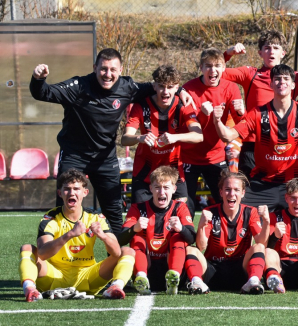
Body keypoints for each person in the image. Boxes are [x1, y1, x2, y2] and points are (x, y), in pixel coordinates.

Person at [30, 48, 193, 233]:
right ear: (95, 68)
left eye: (113, 70)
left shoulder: (127, 87)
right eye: (103, 69)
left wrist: (181, 90)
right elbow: (43, 93)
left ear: (120, 70)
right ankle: (60, 256)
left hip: (105, 158)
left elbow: (160, 85)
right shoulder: (78, 86)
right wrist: (38, 79)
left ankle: (118, 258)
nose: (108, 74)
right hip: (75, 156)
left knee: (114, 211)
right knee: (66, 206)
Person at [214, 63, 298, 211]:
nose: (282, 82)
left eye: (286, 79)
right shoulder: (258, 113)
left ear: (293, 85)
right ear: (271, 84)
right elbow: (228, 136)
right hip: (262, 184)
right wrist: (217, 120)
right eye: (277, 79)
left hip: (295, 184)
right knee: (238, 214)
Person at [222, 30, 298, 174]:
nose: (271, 52)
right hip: (254, 143)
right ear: (260, 53)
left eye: (276, 48)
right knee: (250, 188)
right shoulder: (250, 74)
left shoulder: (292, 78)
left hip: (284, 143)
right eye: (267, 48)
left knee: (284, 189)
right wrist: (228, 53)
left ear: (283, 53)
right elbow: (216, 73)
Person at [19, 169, 136, 302]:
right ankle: (30, 289)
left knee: (127, 251)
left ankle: (115, 288)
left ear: (85, 192)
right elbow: (43, 253)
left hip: (88, 278)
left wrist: (102, 236)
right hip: (53, 276)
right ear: (60, 193)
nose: (72, 193)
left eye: (76, 189)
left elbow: (115, 252)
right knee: (27, 248)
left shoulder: (96, 217)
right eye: (67, 189)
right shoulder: (50, 218)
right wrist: (69, 235)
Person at [122, 65, 203, 204]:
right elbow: (125, 139)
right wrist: (139, 138)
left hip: (174, 174)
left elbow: (198, 135)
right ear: (154, 86)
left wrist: (175, 137)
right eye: (161, 86)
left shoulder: (183, 105)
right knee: (142, 221)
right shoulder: (141, 106)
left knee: (181, 218)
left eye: (170, 87)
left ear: (177, 87)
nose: (165, 92)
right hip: (144, 175)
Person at [184, 172, 271, 295]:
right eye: (227, 189)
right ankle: (197, 282)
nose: (231, 194)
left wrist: (266, 222)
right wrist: (202, 225)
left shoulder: (250, 212)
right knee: (190, 249)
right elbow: (201, 247)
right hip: (213, 270)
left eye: (236, 190)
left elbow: (261, 243)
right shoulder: (210, 212)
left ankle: (253, 281)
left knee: (260, 247)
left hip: (240, 271)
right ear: (220, 192)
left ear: (243, 193)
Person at [181, 48, 245, 213]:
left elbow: (241, 126)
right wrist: (202, 114)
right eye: (208, 66)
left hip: (216, 155)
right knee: (185, 206)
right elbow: (190, 128)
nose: (213, 70)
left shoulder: (231, 88)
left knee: (225, 201)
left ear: (224, 67)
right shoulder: (188, 89)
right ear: (201, 68)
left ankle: (224, 237)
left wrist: (241, 112)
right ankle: (185, 238)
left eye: (217, 65)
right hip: (189, 156)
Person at [119, 166, 196, 295]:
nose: (161, 192)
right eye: (157, 187)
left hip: (171, 266)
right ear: (150, 189)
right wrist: (134, 229)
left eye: (166, 188)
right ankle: (141, 277)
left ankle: (174, 277)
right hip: (147, 269)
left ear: (174, 189)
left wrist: (181, 229)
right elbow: (120, 239)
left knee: (178, 238)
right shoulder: (138, 208)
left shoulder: (180, 207)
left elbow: (192, 239)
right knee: (137, 239)